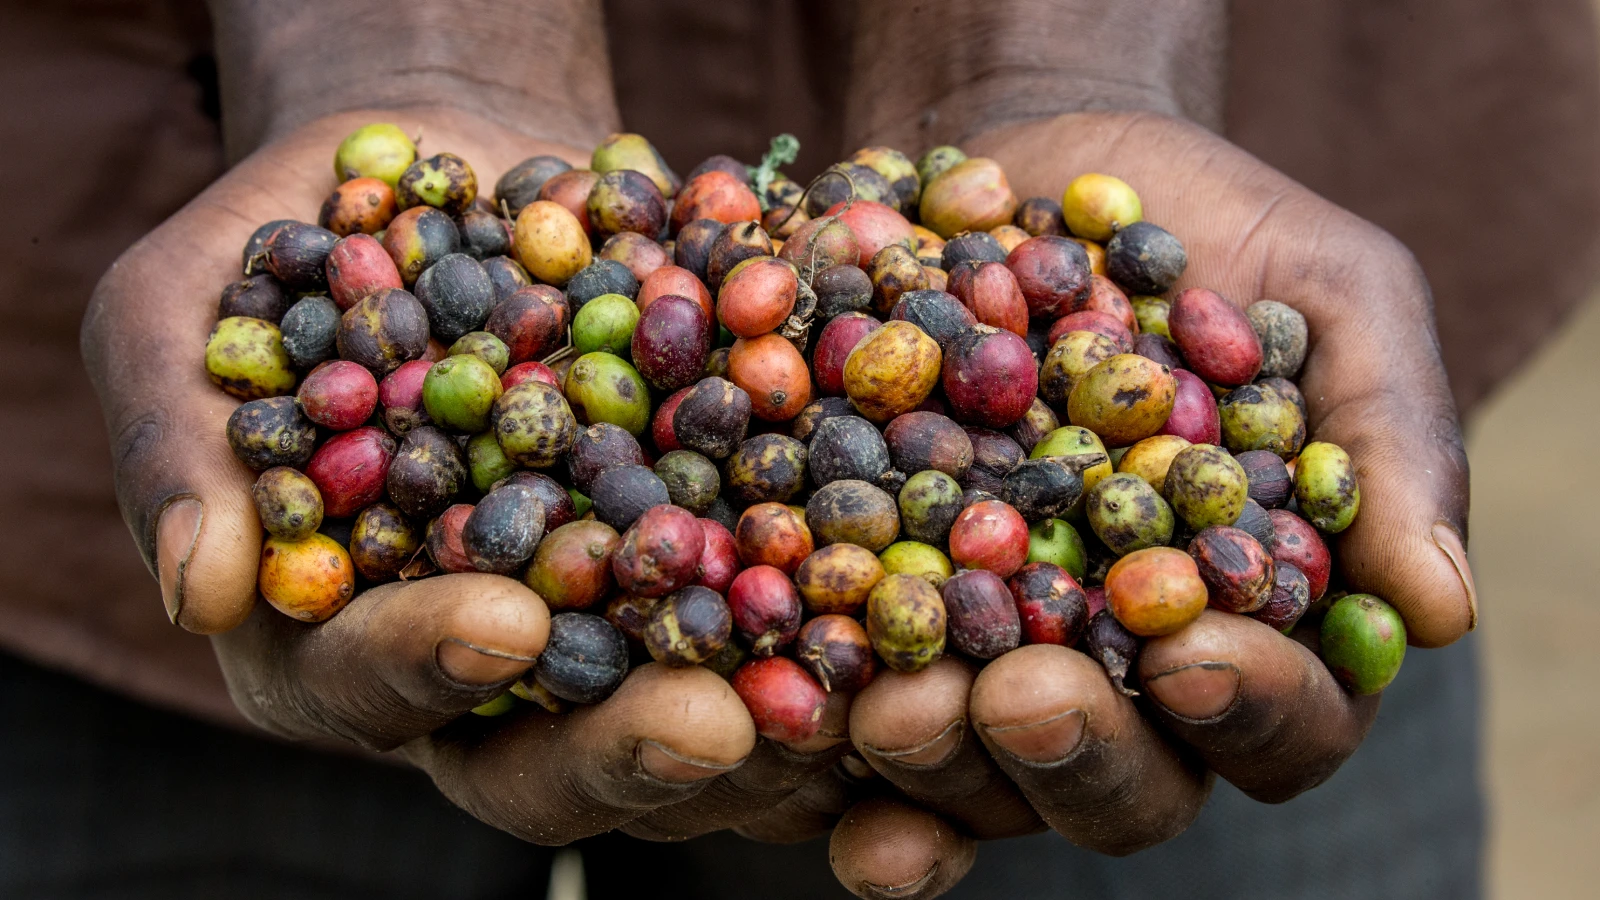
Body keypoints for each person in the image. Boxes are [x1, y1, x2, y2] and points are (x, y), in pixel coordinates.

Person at [3, 0, 1595, 896]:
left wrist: (1038, 59)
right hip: (109, 208)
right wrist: (407, 42)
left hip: (1259, 96)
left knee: (1170, 731)